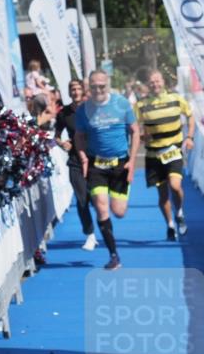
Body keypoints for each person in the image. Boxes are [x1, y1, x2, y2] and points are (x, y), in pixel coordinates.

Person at [74, 69, 140, 271]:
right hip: (97, 166)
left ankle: (113, 248)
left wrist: (132, 160)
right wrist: (84, 157)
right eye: (93, 86)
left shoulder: (121, 103)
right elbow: (79, 136)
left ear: (107, 84)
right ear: (89, 87)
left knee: (118, 212)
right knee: (101, 207)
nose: (98, 89)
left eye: (101, 85)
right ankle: (114, 255)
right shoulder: (83, 110)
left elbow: (135, 131)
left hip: (120, 163)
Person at [134, 70, 195, 241]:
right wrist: (139, 135)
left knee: (175, 186)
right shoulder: (141, 105)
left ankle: (180, 212)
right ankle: (169, 224)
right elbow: (133, 127)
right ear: (148, 84)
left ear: (163, 82)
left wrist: (189, 137)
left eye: (158, 81)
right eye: (152, 82)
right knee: (162, 195)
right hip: (153, 155)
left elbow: (190, 116)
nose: (155, 84)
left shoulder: (175, 99)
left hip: (173, 151)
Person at [54, 79, 96, 249]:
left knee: (94, 197)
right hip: (75, 160)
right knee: (81, 198)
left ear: (83, 91)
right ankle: (90, 234)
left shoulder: (92, 109)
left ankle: (103, 228)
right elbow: (56, 135)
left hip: (94, 158)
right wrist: (63, 143)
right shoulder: (64, 113)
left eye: (79, 88)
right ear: (69, 92)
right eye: (73, 89)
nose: (76, 91)